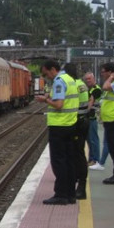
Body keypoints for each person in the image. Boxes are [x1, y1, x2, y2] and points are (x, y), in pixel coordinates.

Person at [35, 59, 78, 205]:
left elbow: (59, 105)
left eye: (46, 74)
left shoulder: (59, 81)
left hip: (60, 126)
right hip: (71, 124)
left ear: (52, 69)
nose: (47, 77)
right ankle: (71, 194)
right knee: (69, 161)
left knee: (59, 161)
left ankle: (61, 195)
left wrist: (45, 100)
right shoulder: (70, 79)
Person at [63, 64, 89, 199]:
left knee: (77, 156)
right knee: (77, 155)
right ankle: (78, 186)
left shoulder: (73, 85)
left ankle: (81, 188)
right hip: (82, 122)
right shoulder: (81, 84)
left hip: (76, 124)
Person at [83, 72, 103, 169]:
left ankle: (95, 160)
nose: (88, 80)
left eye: (89, 78)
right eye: (86, 79)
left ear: (93, 78)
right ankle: (91, 159)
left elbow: (91, 100)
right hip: (88, 118)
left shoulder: (97, 89)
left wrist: (86, 111)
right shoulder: (89, 89)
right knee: (89, 140)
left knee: (93, 140)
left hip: (92, 118)